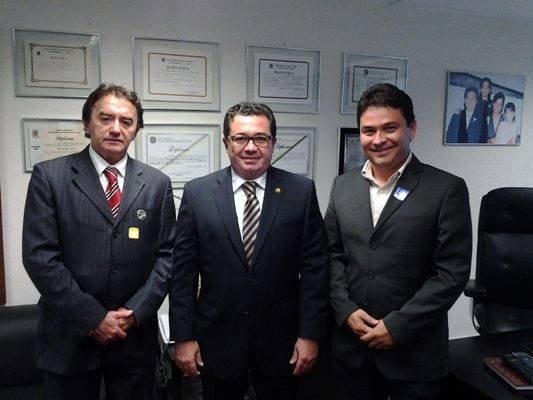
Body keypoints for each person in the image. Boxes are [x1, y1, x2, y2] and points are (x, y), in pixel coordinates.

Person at [22, 83, 176, 400]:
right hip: (69, 338)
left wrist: (135, 312)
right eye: (105, 118)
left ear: (136, 130)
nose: (116, 128)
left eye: (126, 121)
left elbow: (167, 256)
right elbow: (40, 258)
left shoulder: (157, 184)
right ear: (87, 124)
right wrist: (93, 319)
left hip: (133, 341)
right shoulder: (50, 177)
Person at [169, 101, 329, 400]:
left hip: (283, 343)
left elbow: (315, 270)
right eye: (241, 138)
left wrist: (310, 334)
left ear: (273, 143)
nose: (251, 147)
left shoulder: (301, 191)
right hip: (218, 340)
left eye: (260, 138)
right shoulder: (198, 193)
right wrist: (183, 337)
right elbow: (183, 275)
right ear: (226, 143)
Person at [325, 83, 472, 400]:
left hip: (414, 356)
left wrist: (398, 326)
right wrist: (345, 309)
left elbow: (451, 273)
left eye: (389, 128)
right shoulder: (343, 186)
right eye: (369, 131)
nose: (378, 140)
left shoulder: (446, 189)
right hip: (351, 352)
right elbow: (331, 255)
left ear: (412, 129)